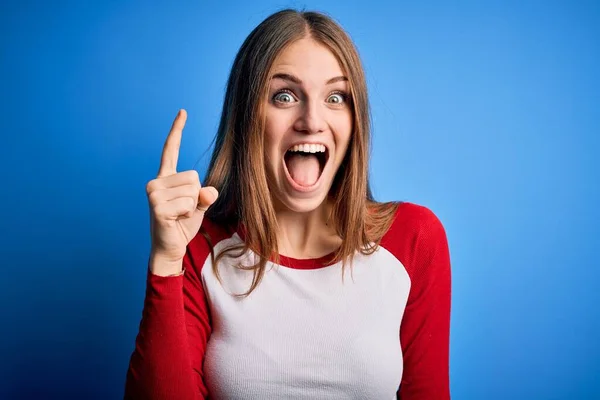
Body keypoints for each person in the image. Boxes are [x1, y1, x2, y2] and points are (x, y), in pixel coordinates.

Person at [124, 8, 451, 400]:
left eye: (335, 97)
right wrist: (166, 260)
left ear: (355, 120)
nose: (311, 120)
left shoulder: (413, 239)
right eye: (284, 96)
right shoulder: (200, 245)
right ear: (248, 117)